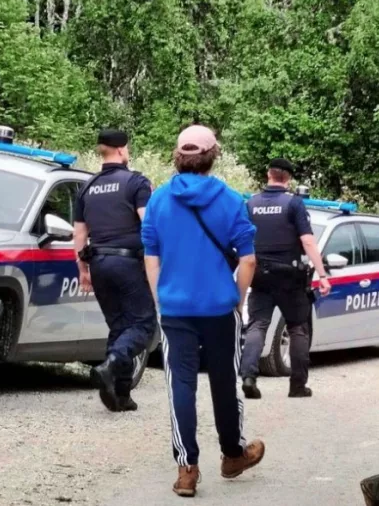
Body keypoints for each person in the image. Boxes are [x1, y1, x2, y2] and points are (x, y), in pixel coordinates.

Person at [141, 124, 263, 498]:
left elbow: (151, 257)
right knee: (225, 381)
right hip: (219, 308)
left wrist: (161, 300)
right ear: (213, 157)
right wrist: (237, 299)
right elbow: (249, 261)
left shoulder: (159, 200)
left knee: (180, 384)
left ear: (177, 157)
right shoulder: (231, 200)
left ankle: (187, 470)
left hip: (175, 310)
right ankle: (232, 455)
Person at [73, 128, 157, 413]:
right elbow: (149, 225)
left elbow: (79, 234)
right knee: (143, 325)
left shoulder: (88, 186)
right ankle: (110, 365)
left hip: (98, 263)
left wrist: (83, 269)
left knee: (120, 327)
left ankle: (120, 394)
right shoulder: (136, 182)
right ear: (122, 149)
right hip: (128, 263)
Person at [240, 158, 331, 400]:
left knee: (257, 325)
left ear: (268, 174)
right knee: (298, 327)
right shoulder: (294, 203)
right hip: (290, 276)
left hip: (259, 273)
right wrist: (322, 274)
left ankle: (248, 377)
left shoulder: (251, 203)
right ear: (288, 178)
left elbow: (242, 239)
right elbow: (308, 241)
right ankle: (297, 386)